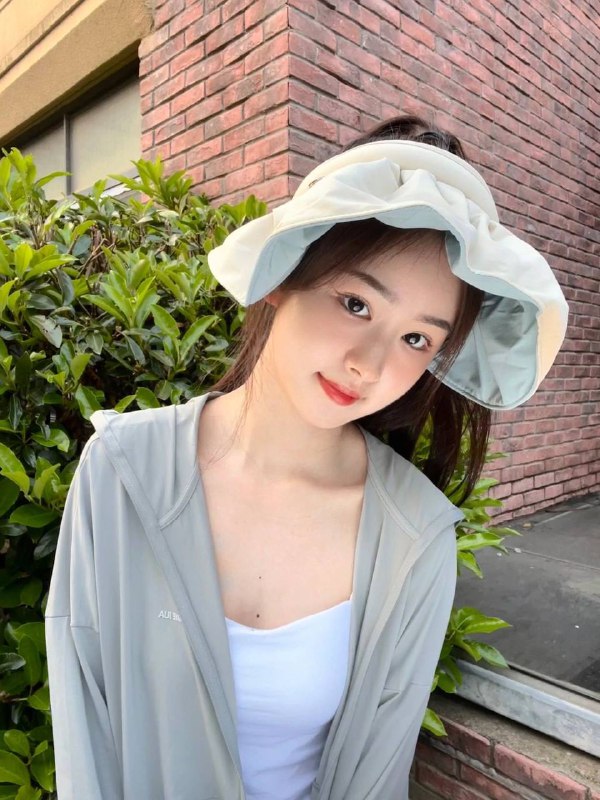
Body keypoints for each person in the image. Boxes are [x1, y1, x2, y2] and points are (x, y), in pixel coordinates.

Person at [45, 116, 568, 800]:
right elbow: (85, 728)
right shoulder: (122, 470)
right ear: (283, 269)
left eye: (416, 339)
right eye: (356, 303)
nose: (369, 364)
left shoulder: (415, 536)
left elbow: (375, 776)